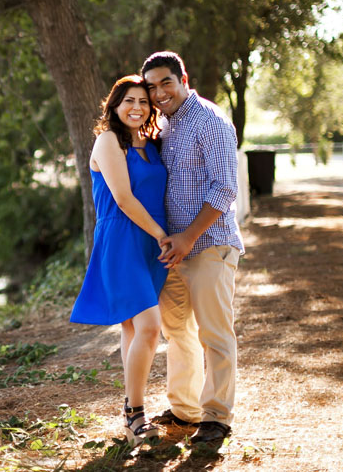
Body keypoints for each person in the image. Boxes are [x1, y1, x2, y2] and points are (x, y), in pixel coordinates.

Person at [141, 51, 245, 445]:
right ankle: (185, 411)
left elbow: (225, 187)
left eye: (166, 82)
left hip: (209, 245)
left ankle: (217, 416)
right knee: (177, 331)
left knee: (214, 333)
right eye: (151, 86)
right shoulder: (165, 125)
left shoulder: (210, 121)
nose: (159, 92)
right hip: (173, 253)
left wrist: (189, 237)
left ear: (184, 78)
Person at [70, 75, 169, 446]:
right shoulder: (108, 140)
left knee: (132, 329)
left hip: (149, 244)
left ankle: (131, 412)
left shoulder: (150, 142)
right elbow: (124, 199)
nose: (137, 108)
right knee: (149, 326)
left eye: (144, 102)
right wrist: (163, 236)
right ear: (114, 105)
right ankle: (136, 414)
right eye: (129, 100)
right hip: (122, 240)